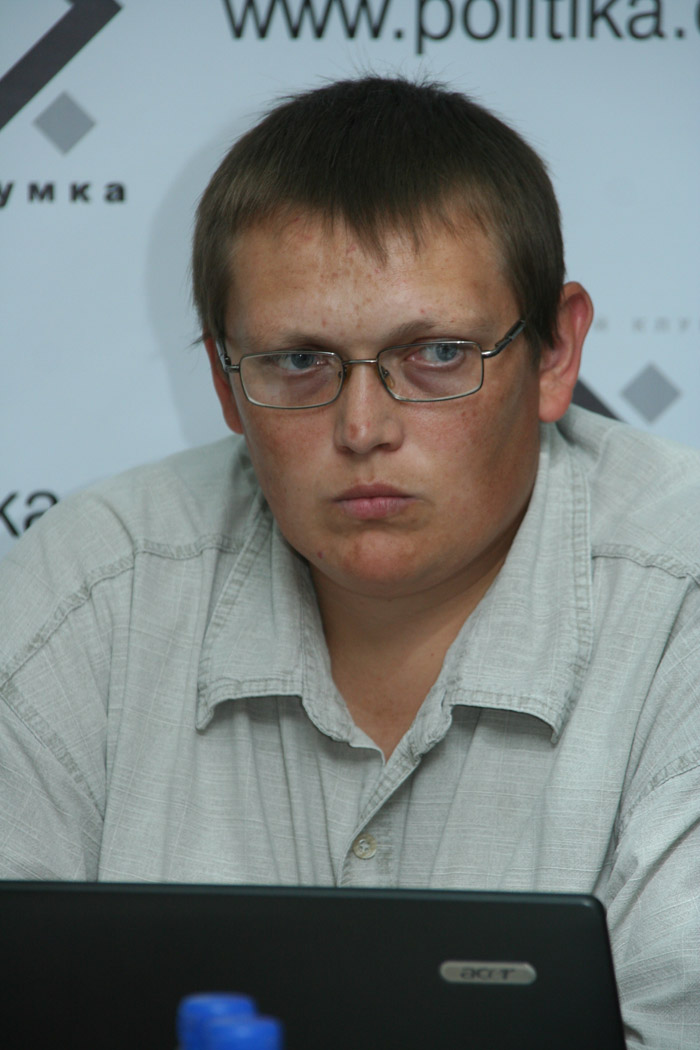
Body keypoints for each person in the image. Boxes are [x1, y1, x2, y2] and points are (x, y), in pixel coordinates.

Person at [1, 75, 699, 1047]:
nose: (362, 427)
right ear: (224, 381)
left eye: (436, 354)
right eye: (299, 362)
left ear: (552, 354)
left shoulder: (681, 603)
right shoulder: (88, 588)